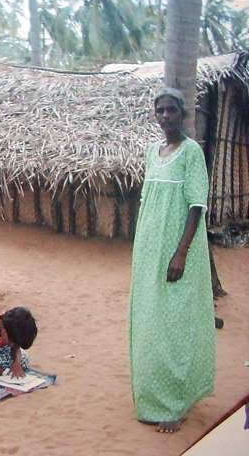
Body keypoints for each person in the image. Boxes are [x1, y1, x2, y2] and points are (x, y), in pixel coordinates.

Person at [129, 87, 216, 434]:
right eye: (160, 110)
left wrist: (180, 252)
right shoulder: (153, 151)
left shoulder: (191, 152)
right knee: (150, 322)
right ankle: (151, 397)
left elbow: (196, 204)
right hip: (148, 250)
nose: (165, 116)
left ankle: (175, 404)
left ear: (183, 114)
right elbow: (149, 200)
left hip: (177, 250)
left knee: (174, 323)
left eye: (171, 110)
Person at [0, 307, 37, 378]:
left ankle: (5, 369)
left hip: (1, 351)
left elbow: (16, 348)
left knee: (24, 358)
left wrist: (16, 363)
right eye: (11, 341)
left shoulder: (12, 328)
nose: (12, 344)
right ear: (4, 331)